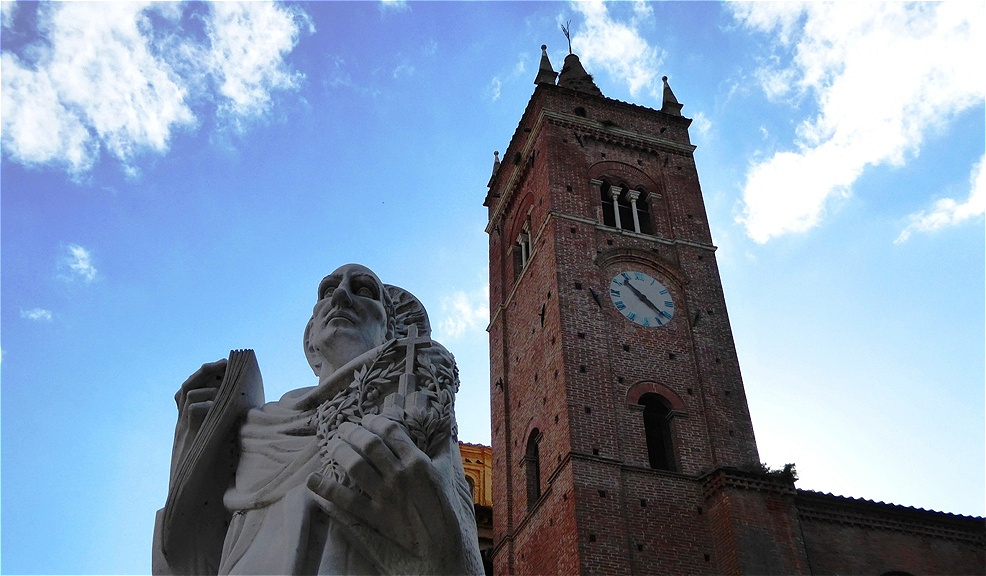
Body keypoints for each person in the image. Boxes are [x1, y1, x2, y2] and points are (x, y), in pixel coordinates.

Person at [153, 264, 484, 575]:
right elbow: (190, 564)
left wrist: (432, 551)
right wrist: (190, 445)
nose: (340, 295)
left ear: (389, 330)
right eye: (327, 291)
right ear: (312, 338)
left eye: (364, 290)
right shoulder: (255, 428)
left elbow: (460, 557)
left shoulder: (413, 401)